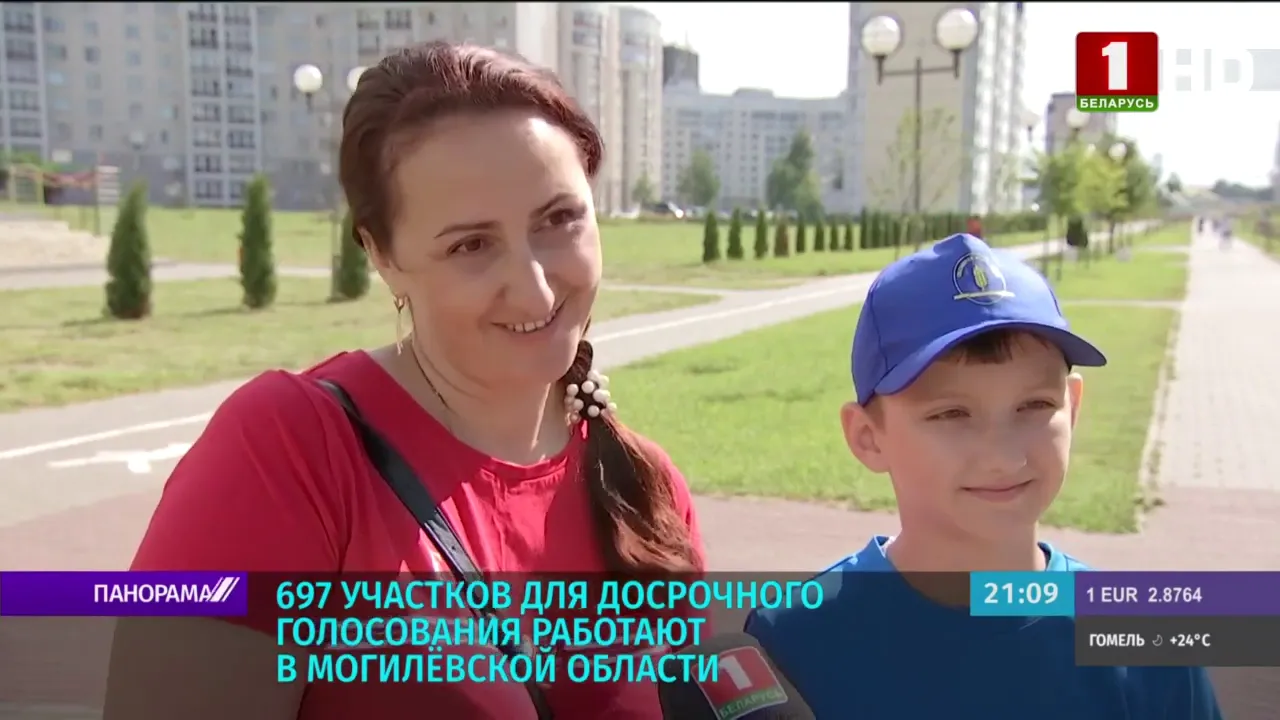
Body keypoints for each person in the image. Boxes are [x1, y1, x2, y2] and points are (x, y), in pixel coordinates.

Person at [104, 42, 706, 720]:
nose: (535, 289)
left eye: (559, 219)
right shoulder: (291, 451)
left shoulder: (647, 487)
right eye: (471, 245)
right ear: (382, 256)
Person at [744, 234, 1222, 719]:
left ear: (1072, 408)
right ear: (868, 437)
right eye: (952, 414)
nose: (1003, 456)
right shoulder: (793, 640)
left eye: (1034, 405)